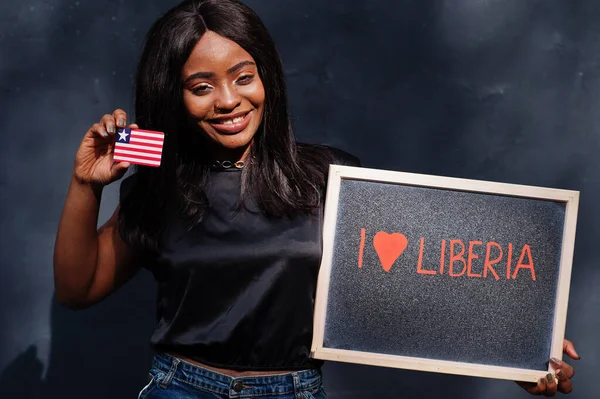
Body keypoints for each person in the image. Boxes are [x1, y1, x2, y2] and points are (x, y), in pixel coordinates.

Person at [53, 0, 579, 397]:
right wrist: (86, 186)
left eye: (243, 77)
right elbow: (78, 288)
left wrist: (515, 348)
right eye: (202, 86)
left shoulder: (329, 176)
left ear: (267, 80)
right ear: (175, 95)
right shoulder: (159, 181)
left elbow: (422, 280)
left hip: (293, 390)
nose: (230, 100)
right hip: (181, 387)